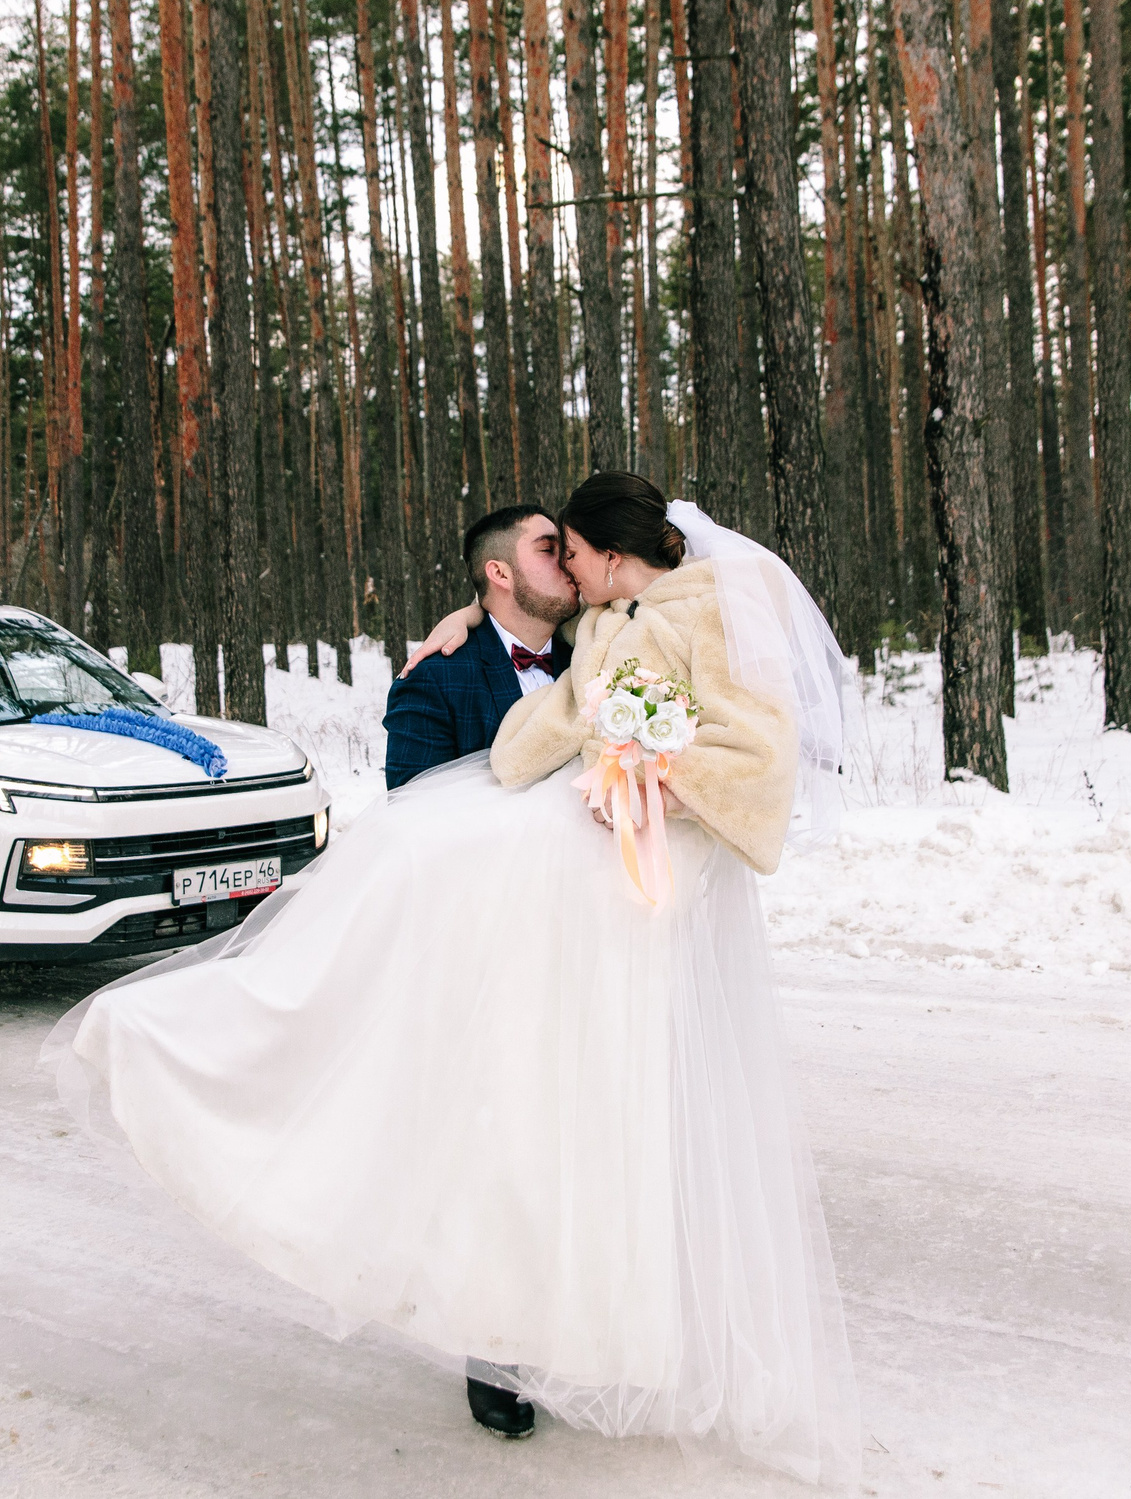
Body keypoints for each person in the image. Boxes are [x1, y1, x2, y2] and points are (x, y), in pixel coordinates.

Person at [45, 473, 860, 1485]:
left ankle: (612, 1324)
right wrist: (498, 673)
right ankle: (240, 1038)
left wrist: (650, 767)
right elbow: (518, 741)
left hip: (624, 884)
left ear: (606, 554)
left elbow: (749, 753)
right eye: (542, 551)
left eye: (569, 547)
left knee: (609, 1120)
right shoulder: (531, 641)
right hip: (533, 903)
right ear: (503, 574)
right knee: (468, 1029)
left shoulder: (686, 610)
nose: (562, 565)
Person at [381, 504, 579, 792]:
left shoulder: (589, 654)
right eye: (548, 549)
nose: (569, 561)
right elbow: (414, 819)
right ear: (500, 574)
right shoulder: (435, 680)